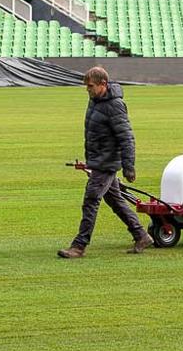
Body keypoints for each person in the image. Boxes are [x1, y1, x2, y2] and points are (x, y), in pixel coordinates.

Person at [58, 66, 154, 258]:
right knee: (115, 200)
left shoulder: (114, 106)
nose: (88, 90)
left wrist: (129, 167)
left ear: (103, 84)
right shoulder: (95, 100)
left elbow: (126, 137)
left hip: (106, 162)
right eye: (86, 87)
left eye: (91, 86)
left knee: (91, 200)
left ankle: (79, 245)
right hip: (99, 159)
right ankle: (141, 235)